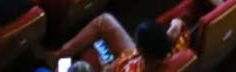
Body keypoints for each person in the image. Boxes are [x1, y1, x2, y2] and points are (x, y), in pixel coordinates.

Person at [48, 13, 189, 72]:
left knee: (80, 65)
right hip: (134, 59)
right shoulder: (178, 49)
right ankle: (58, 55)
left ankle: (57, 58)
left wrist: (106, 67)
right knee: (105, 20)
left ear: (140, 49)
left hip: (120, 63)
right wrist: (173, 31)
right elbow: (179, 24)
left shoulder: (130, 68)